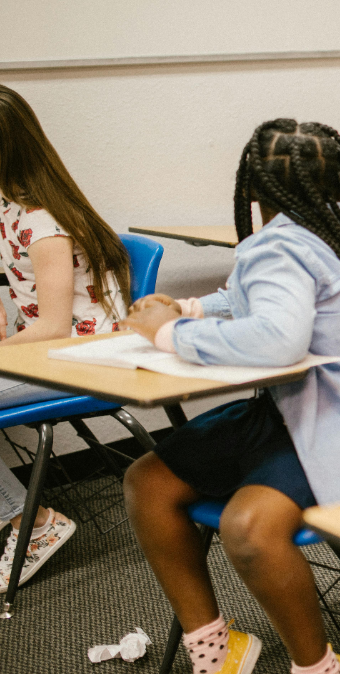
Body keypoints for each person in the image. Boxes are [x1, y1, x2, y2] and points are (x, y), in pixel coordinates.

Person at [122, 119, 340, 674]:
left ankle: (319, 667)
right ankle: (217, 648)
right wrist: (192, 310)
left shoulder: (281, 242)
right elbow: (264, 303)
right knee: (150, 480)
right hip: (301, 407)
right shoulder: (325, 228)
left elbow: (278, 339)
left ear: (254, 189)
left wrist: (169, 334)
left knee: (248, 526)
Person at [0, 84, 131, 593]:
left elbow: (53, 327)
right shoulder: (10, 210)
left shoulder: (44, 224)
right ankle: (24, 517)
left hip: (83, 359)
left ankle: (31, 522)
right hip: (47, 355)